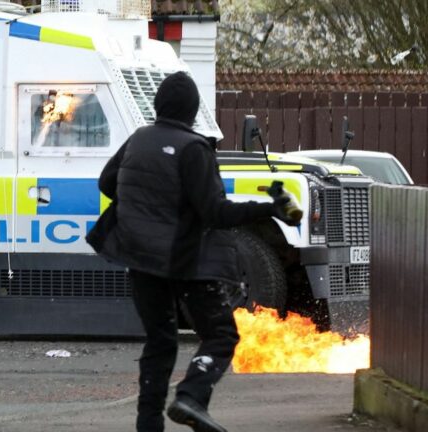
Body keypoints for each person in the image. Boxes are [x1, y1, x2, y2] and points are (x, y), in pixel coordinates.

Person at [92, 72, 299, 432]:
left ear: (158, 105)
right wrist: (269, 209)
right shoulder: (194, 148)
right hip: (185, 262)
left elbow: (107, 183)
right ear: (192, 111)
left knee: (160, 344)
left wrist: (147, 209)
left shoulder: (138, 139)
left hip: (140, 260)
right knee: (221, 335)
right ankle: (191, 395)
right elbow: (216, 213)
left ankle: (149, 425)